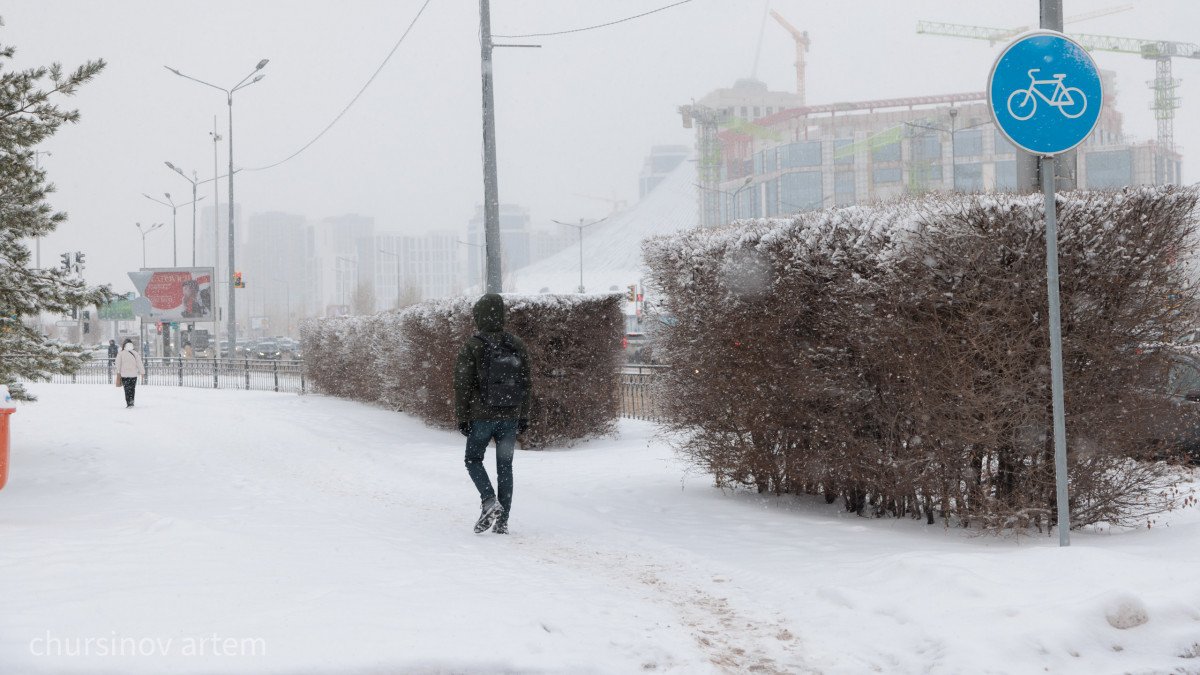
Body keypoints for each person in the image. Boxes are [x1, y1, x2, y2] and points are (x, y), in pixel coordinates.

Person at [454, 294, 531, 535]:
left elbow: (462, 384)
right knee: (505, 467)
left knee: (473, 460)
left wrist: (462, 417)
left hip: (481, 416)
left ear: (479, 316)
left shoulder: (473, 345)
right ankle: (502, 522)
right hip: (510, 415)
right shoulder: (516, 343)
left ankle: (489, 500)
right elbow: (527, 382)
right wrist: (523, 415)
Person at [114, 338, 145, 408]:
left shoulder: (121, 353)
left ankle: (128, 403)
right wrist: (142, 372)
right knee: (132, 389)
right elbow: (139, 363)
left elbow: (118, 364)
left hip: (124, 375)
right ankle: (132, 402)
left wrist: (118, 372)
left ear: (124, 345)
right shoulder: (135, 353)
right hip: (133, 375)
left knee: (126, 389)